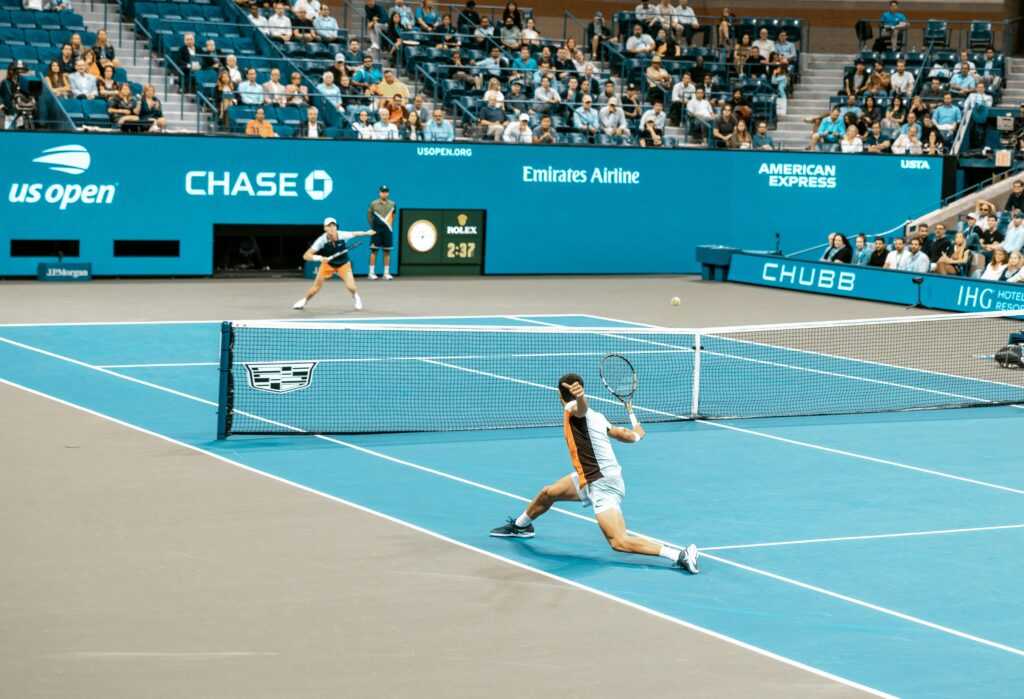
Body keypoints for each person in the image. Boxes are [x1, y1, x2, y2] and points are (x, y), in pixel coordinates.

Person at [488, 373, 700, 575]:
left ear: (558, 396)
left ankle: (679, 554)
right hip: (591, 478)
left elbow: (579, 409)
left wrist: (580, 398)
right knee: (548, 493)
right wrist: (636, 433)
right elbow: (622, 434)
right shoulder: (597, 416)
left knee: (619, 542)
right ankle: (521, 526)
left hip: (602, 484)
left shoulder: (573, 408)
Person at [293, 218, 375, 311]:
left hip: (343, 264)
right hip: (328, 265)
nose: (332, 228)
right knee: (316, 287)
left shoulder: (342, 235)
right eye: (329, 226)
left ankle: (356, 297)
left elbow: (355, 233)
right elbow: (306, 256)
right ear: (325, 228)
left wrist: (366, 233)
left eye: (334, 225)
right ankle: (304, 301)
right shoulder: (321, 240)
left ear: (336, 227)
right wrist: (319, 258)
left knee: (351, 287)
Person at [367, 185, 396, 280]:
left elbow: (393, 215)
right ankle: (371, 273)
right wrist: (374, 227)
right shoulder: (373, 204)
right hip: (376, 231)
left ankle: (386, 273)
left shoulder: (392, 204)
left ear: (388, 193)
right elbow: (370, 216)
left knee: (387, 251)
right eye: (382, 192)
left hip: (387, 230)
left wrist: (388, 225)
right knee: (374, 251)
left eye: (386, 192)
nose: (384, 193)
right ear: (379, 193)